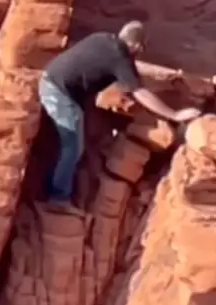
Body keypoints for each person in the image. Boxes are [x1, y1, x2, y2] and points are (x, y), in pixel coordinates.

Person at [38, 21, 200, 207]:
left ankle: (53, 184)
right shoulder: (119, 57)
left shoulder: (103, 38)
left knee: (80, 140)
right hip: (58, 93)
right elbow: (139, 92)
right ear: (136, 46)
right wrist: (174, 114)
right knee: (73, 146)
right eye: (141, 49)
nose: (139, 54)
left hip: (52, 79)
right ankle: (58, 198)